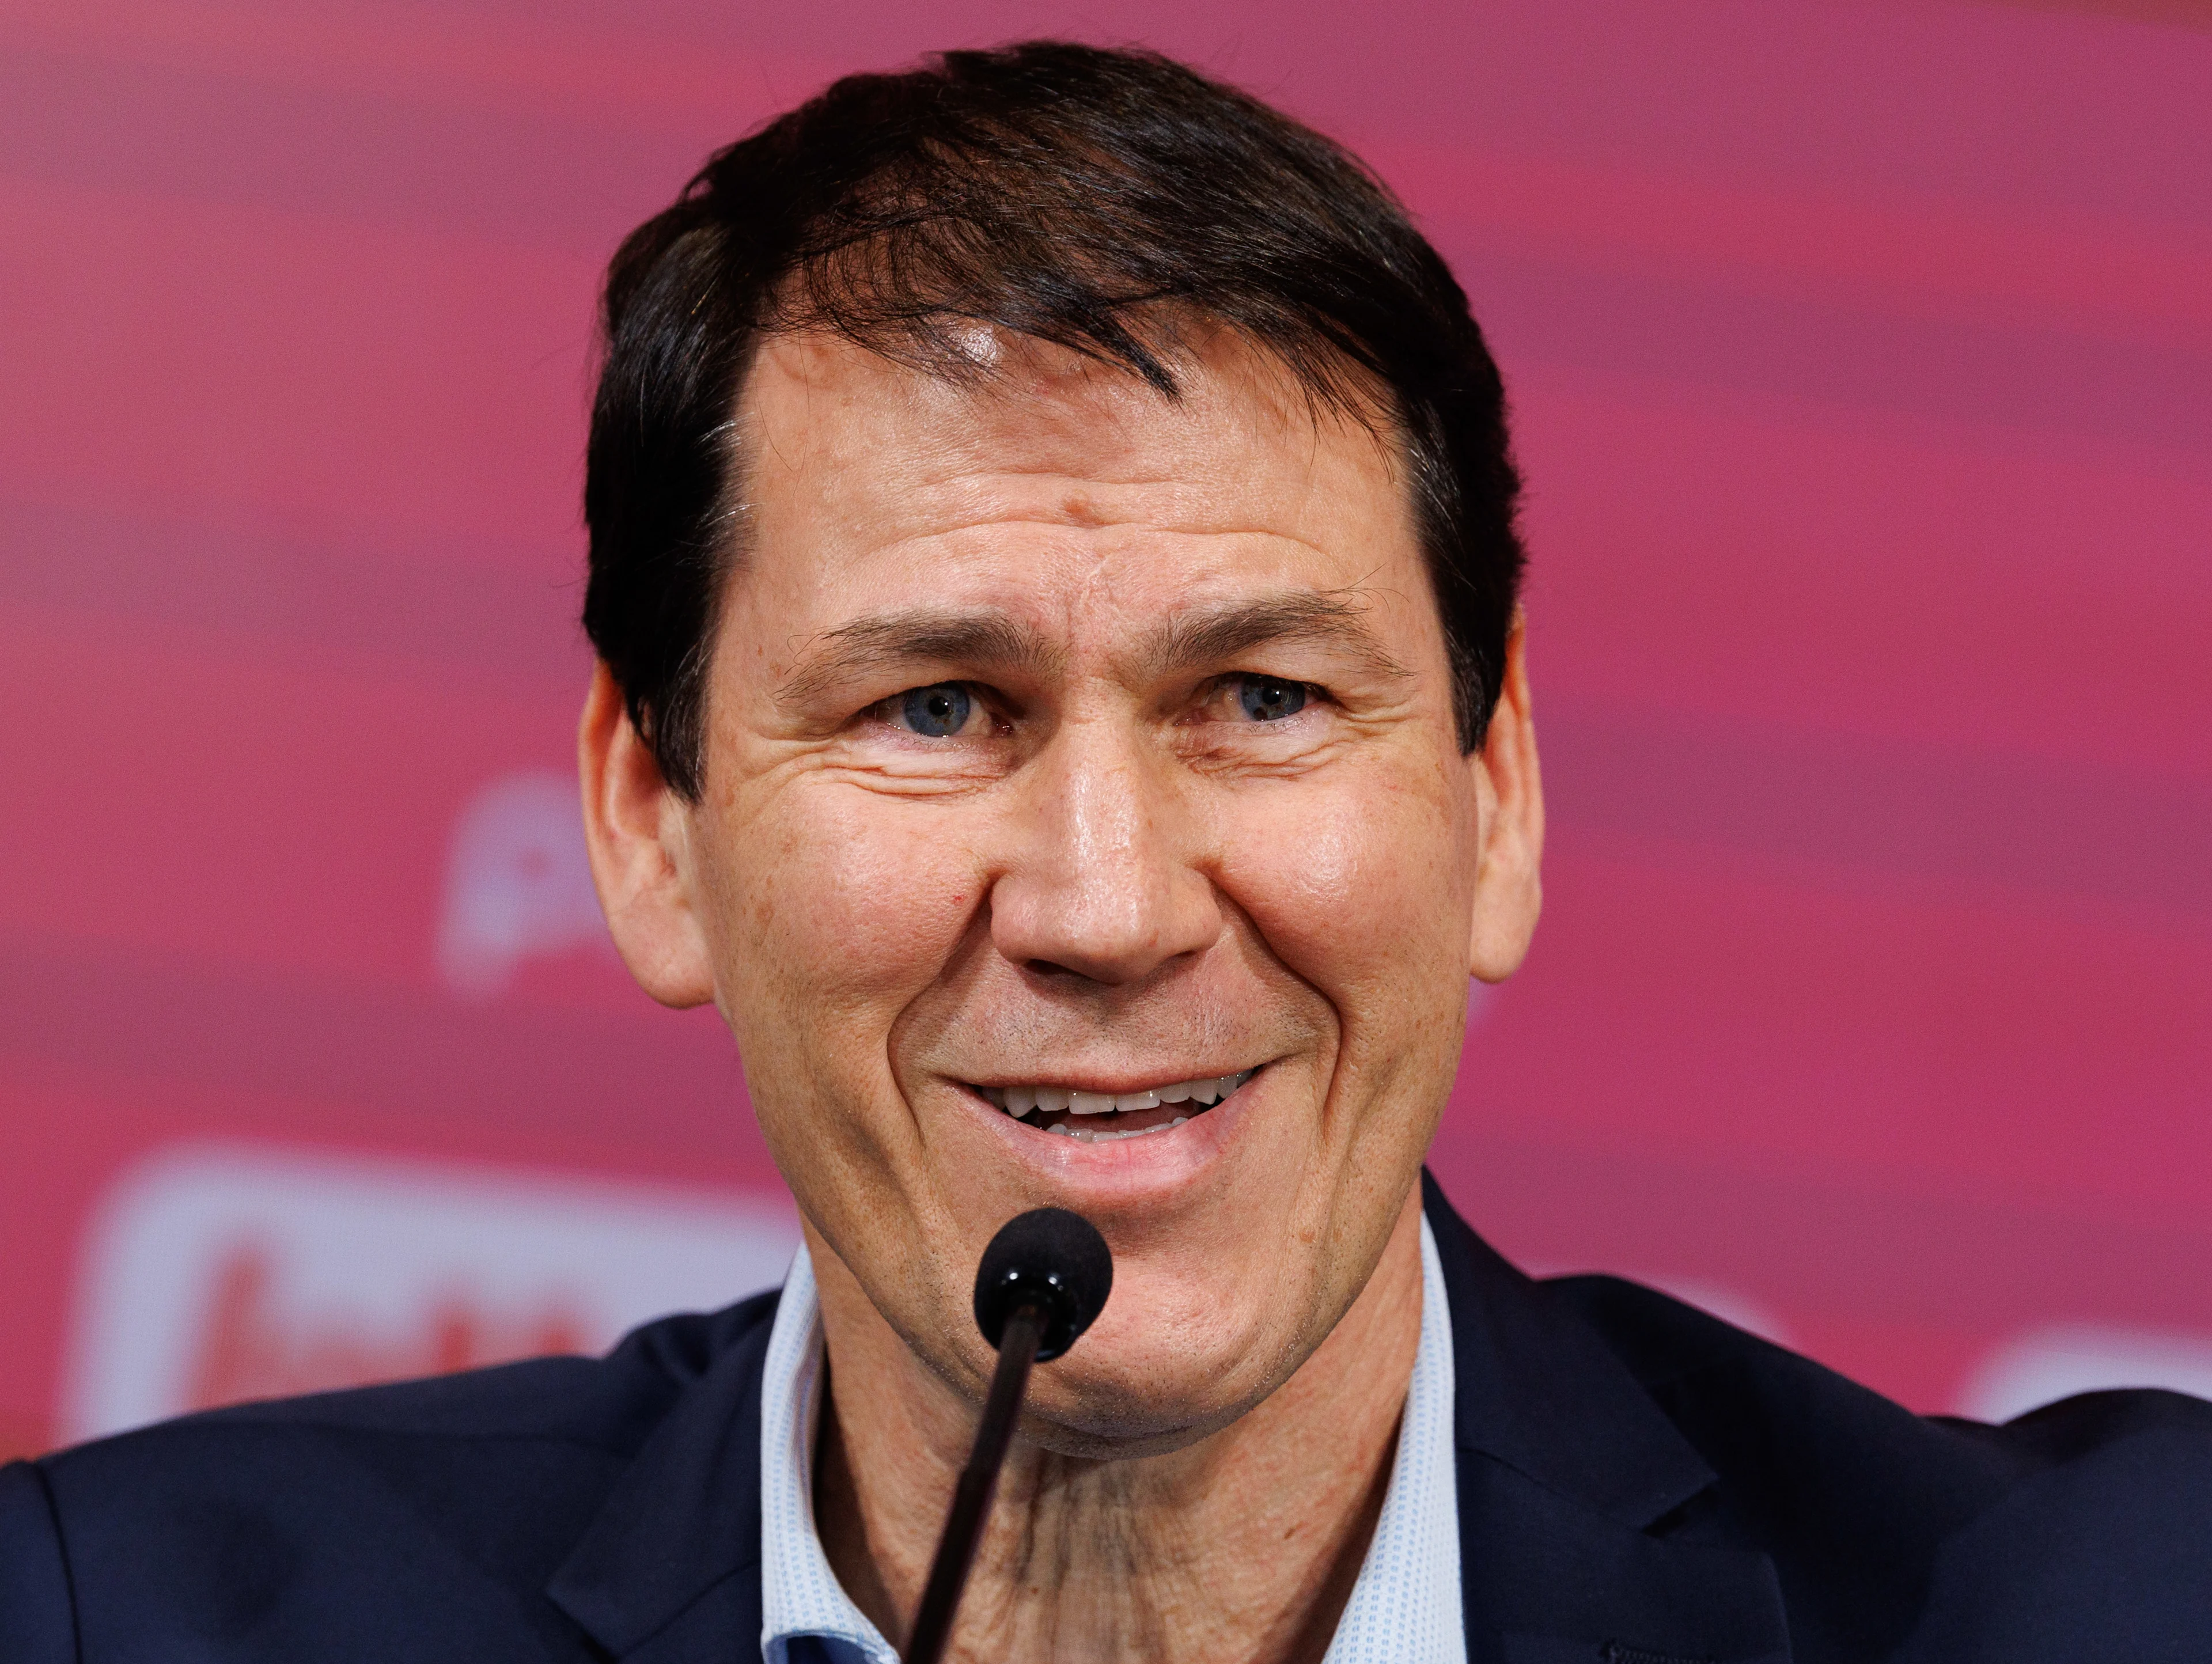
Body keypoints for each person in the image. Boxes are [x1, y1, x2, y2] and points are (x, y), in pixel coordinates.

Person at [4, 40, 2207, 1664]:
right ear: (650, 822)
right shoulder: (129, 1626)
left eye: (1260, 698)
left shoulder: (2103, 1616)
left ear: (1496, 788)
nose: (1109, 906)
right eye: (935, 708)